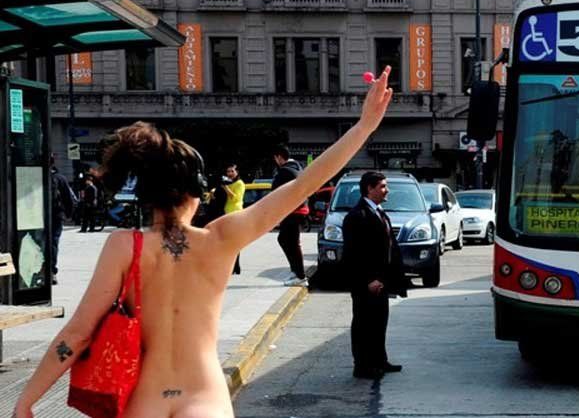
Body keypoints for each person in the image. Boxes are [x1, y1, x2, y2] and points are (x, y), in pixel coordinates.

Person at [14, 65, 394, 418]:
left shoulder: (124, 246)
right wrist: (364, 127)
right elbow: (303, 184)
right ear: (196, 193)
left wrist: (26, 402)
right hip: (205, 397)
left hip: (145, 399)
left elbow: (77, 334)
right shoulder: (222, 238)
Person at [342, 171, 407, 380]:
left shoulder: (380, 212)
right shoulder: (357, 216)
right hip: (366, 283)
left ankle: (379, 360)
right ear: (370, 189)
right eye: (382, 186)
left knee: (379, 322)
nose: (386, 190)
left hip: (382, 281)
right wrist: (369, 280)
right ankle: (362, 366)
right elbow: (354, 254)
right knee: (363, 324)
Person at [271, 145, 310, 286]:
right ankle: (296, 272)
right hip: (300, 209)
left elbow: (274, 193)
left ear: (279, 157)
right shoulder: (298, 168)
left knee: (291, 242)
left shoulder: (284, 172)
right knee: (286, 240)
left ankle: (300, 276)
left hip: (292, 211)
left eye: (275, 158)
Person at [50, 154, 76, 285]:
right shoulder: (60, 178)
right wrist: (69, 214)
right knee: (53, 243)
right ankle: (52, 272)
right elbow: (68, 198)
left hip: (37, 216)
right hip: (56, 216)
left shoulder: (37, 175)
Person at [222, 163, 245, 274]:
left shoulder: (239, 184)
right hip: (227, 214)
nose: (230, 173)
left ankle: (236, 266)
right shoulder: (229, 183)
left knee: (234, 242)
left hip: (235, 214)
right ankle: (234, 266)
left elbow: (235, 198)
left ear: (237, 172)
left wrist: (225, 187)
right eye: (228, 171)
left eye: (232, 171)